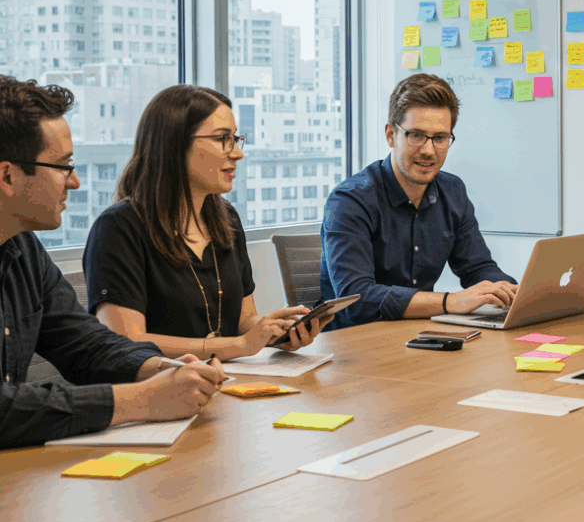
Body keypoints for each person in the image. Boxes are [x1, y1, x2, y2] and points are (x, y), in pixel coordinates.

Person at [0, 76, 224, 449]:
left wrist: (162, 370)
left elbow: (85, 344)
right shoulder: (118, 225)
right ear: (8, 175)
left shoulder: (24, 250)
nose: (74, 183)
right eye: (62, 166)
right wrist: (141, 400)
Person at [86, 85, 321, 360]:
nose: (237, 153)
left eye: (235, 139)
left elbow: (245, 320)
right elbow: (126, 340)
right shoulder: (118, 228)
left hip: (228, 383)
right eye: (222, 139)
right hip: (158, 391)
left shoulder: (227, 219)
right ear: (175, 144)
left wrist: (277, 333)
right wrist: (240, 346)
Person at [320, 74, 516, 329]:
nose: (428, 150)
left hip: (419, 337)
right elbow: (356, 298)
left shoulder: (452, 191)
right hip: (354, 346)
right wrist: (449, 302)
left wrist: (509, 291)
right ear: (391, 135)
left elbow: (478, 268)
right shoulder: (349, 201)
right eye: (416, 135)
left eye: (440, 138)